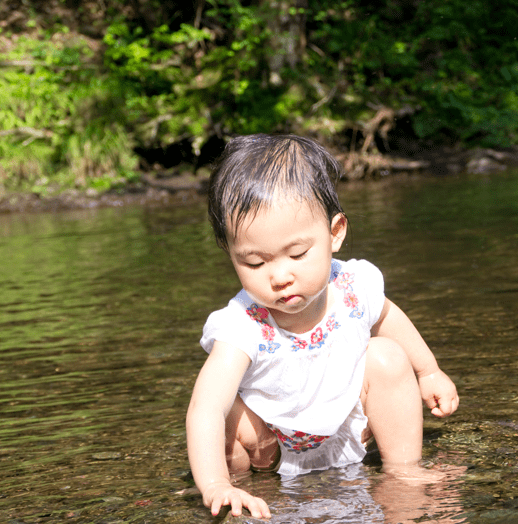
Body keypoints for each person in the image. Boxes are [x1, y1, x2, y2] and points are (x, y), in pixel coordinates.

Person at [186, 134, 459, 519]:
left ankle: (403, 472)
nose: (280, 276)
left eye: (298, 254)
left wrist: (428, 371)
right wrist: (215, 484)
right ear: (231, 254)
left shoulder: (351, 285)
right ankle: (246, 492)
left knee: (386, 356)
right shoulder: (243, 325)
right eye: (254, 263)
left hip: (348, 427)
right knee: (228, 410)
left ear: (335, 233)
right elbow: (204, 408)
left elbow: (388, 318)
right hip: (271, 445)